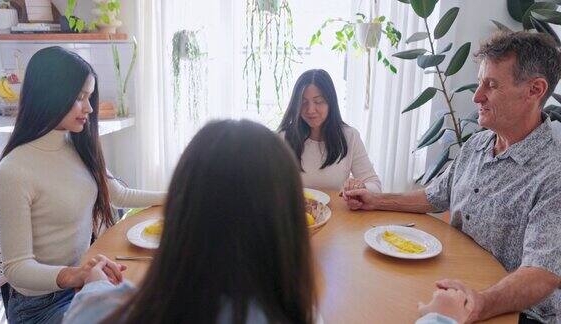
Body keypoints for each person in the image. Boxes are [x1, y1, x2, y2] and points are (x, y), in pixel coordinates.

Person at [342, 31, 561, 323]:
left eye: (491, 85)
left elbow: (542, 273)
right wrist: (375, 200)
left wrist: (479, 303)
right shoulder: (477, 144)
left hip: (515, 312)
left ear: (535, 90)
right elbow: (435, 196)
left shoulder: (554, 172)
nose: (476, 96)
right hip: (458, 288)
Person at [64, 119, 318, 323]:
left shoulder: (96, 311)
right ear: (288, 226)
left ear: (180, 214)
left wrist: (94, 286)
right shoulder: (301, 315)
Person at [0, 46, 165, 324]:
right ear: (50, 96)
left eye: (89, 97)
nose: (89, 107)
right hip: (38, 307)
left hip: (82, 284)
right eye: (79, 97)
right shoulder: (14, 170)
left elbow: (118, 194)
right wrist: (76, 274)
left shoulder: (77, 144)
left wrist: (178, 196)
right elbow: (17, 268)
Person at [278, 69, 381, 194]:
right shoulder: (282, 138)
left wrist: (361, 187)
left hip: (337, 212)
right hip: (296, 212)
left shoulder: (349, 137)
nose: (310, 110)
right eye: (303, 102)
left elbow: (374, 184)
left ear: (330, 102)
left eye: (318, 101)